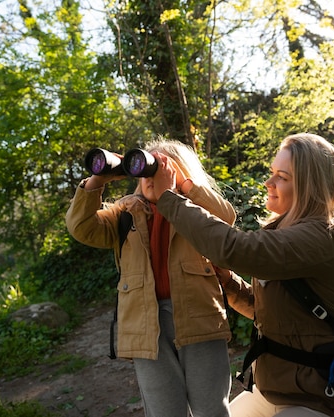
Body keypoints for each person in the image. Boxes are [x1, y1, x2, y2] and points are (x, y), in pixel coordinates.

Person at [151, 133, 334, 417]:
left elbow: (235, 249)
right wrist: (229, 283)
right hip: (273, 391)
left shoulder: (323, 234)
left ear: (310, 186)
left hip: (320, 398)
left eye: (282, 177)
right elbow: (265, 310)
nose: (269, 183)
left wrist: (169, 198)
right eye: (272, 173)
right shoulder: (284, 230)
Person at [65, 138, 236, 417]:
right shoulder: (125, 213)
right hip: (145, 327)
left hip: (199, 318)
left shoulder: (196, 212)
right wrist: (97, 181)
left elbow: (226, 218)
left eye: (160, 169)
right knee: (164, 412)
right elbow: (81, 228)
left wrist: (182, 188)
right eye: (146, 168)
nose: (151, 177)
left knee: (211, 410)